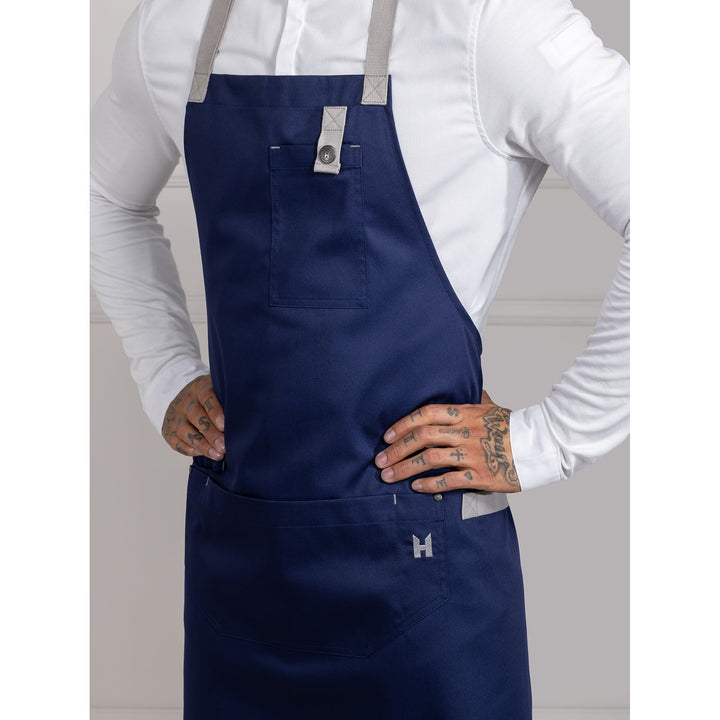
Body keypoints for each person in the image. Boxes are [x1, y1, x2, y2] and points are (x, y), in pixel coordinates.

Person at [90, 0, 629, 717]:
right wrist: (164, 369)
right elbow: (97, 193)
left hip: (429, 588)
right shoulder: (175, 25)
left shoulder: (486, 23)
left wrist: (551, 441)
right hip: (241, 573)